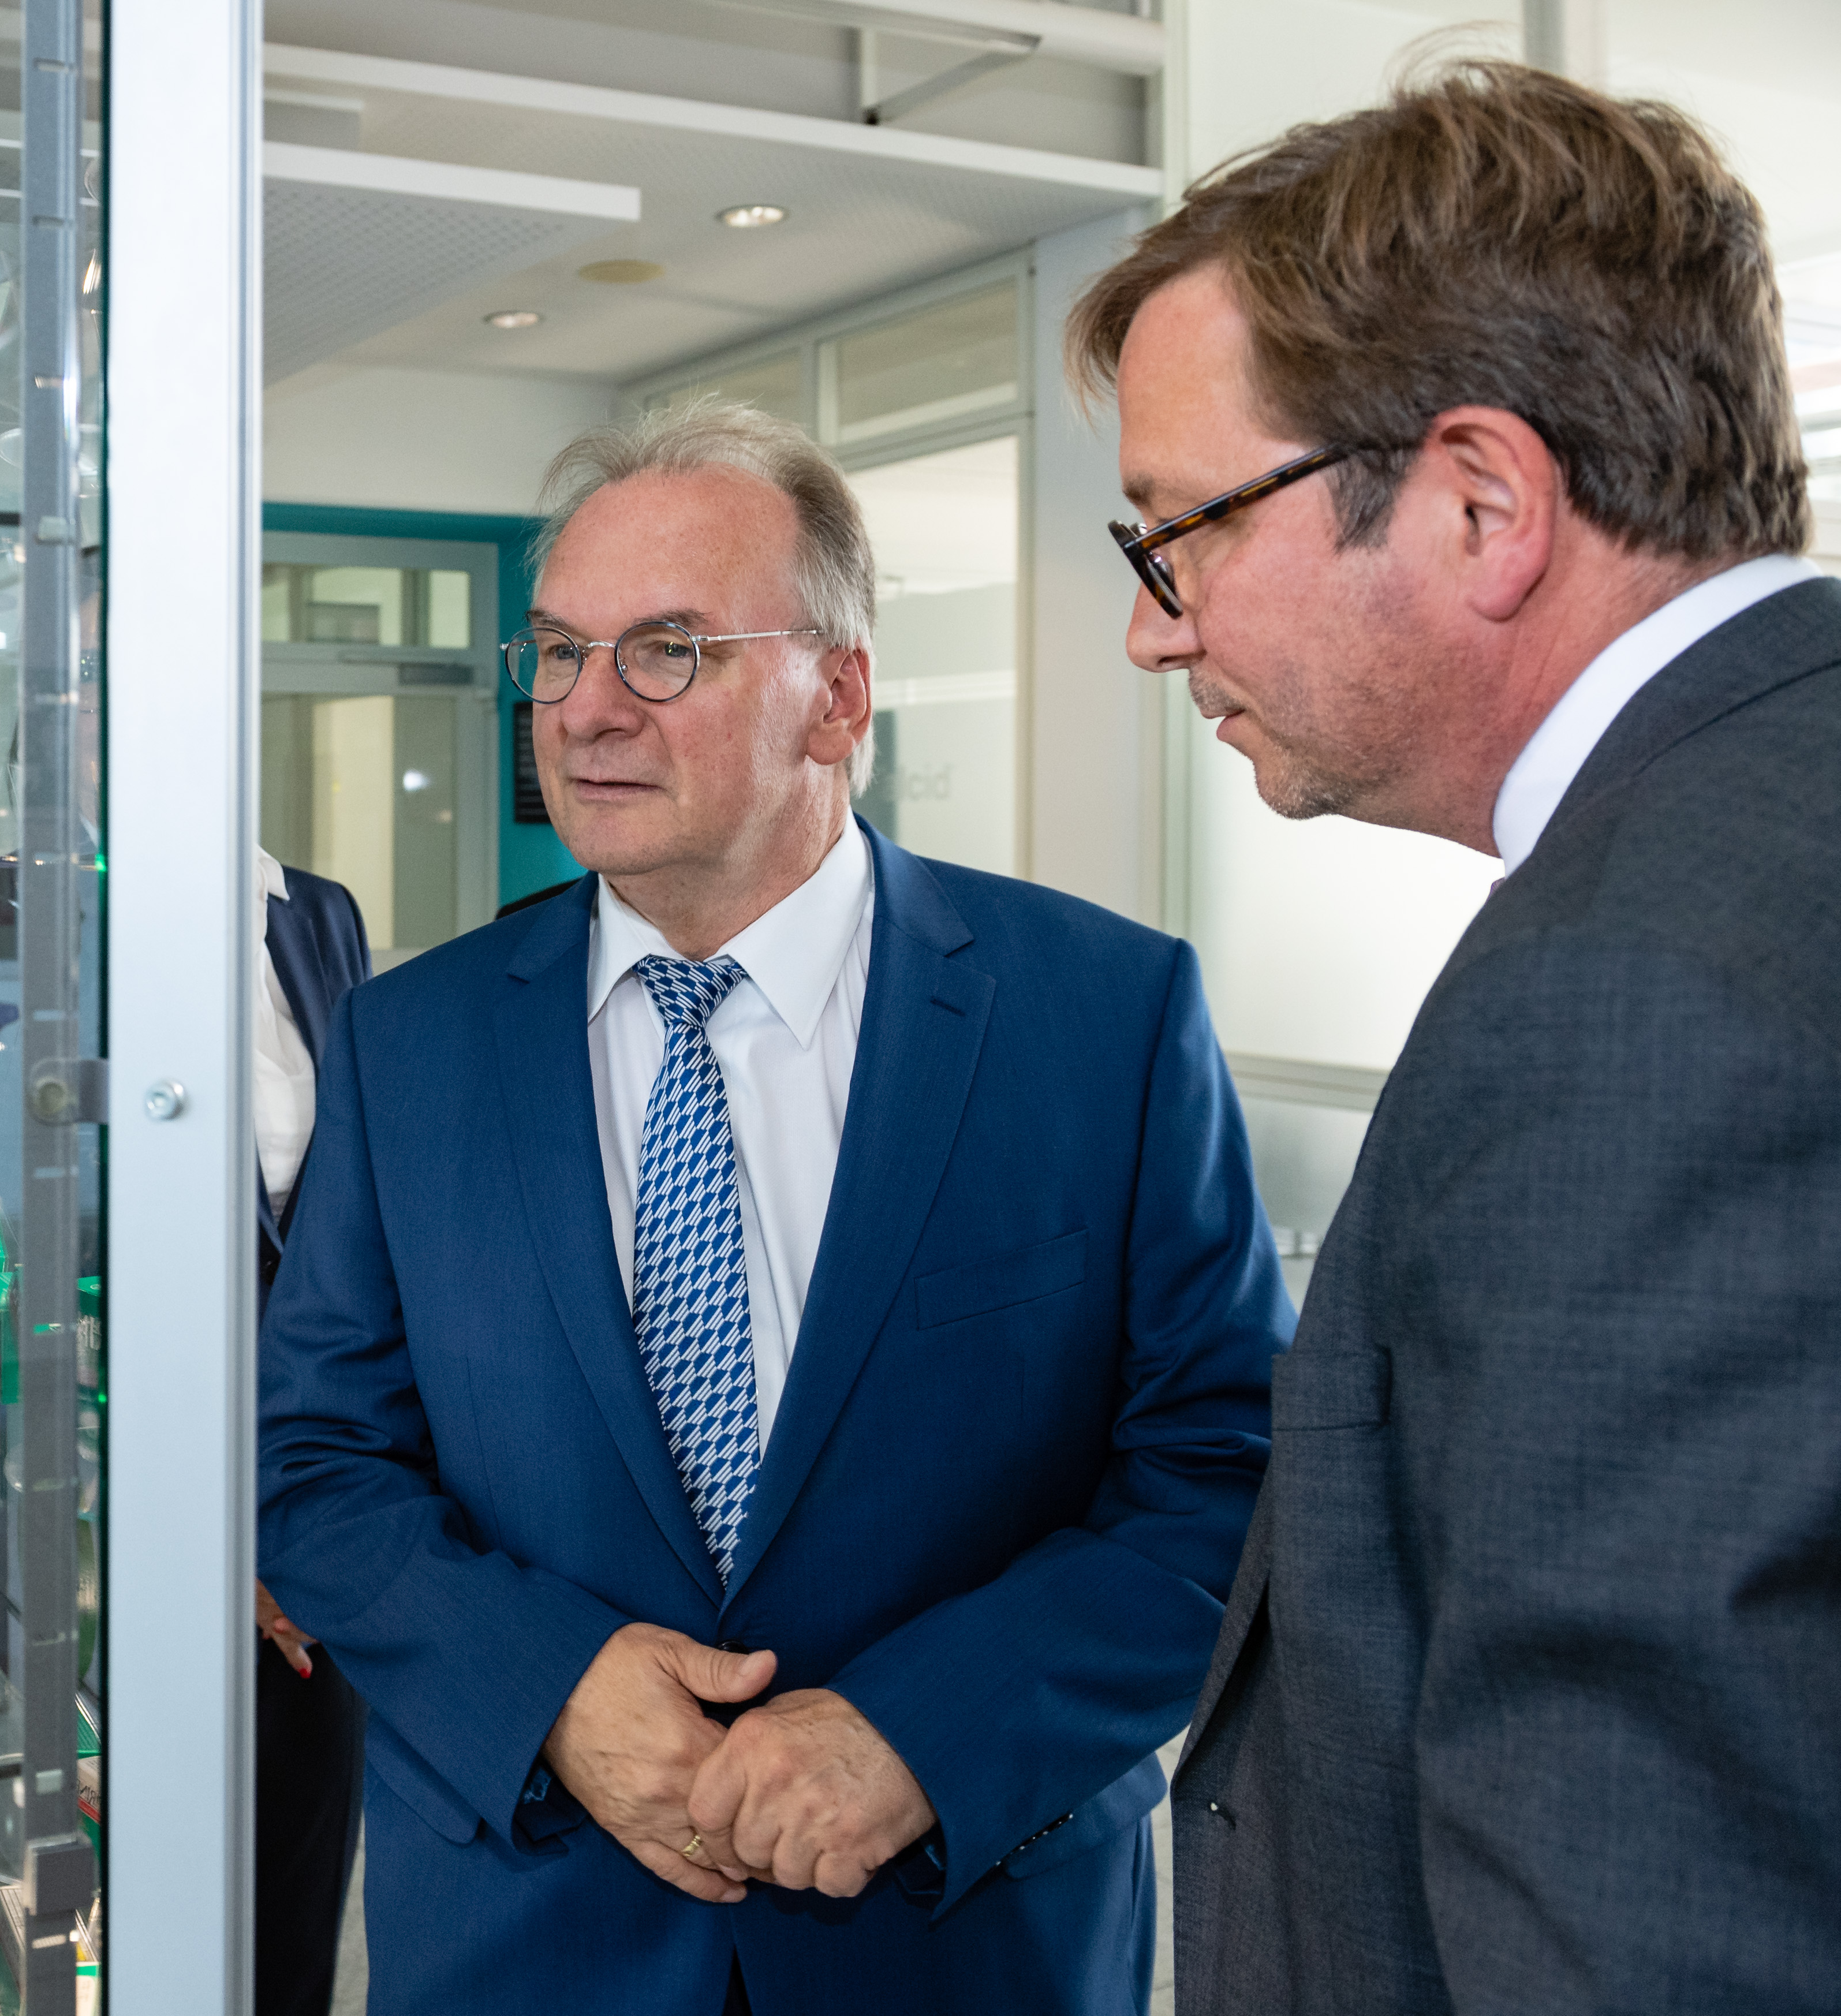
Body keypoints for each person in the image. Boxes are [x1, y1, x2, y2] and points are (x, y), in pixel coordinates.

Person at [256, 401, 1287, 2014]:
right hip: (527, 1941)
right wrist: (551, 1692)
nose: (585, 710)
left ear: (838, 696)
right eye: (556, 652)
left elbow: (1223, 1471)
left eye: (666, 651)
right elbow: (314, 1462)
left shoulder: (1102, 1017)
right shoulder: (409, 1040)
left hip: (961, 1944)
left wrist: (921, 1733)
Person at [1069, 61, 1840, 2013]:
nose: (1153, 628)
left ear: (1479, 503)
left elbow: (1642, 1906)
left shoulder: (1632, 994)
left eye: (1179, 531)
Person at [249, 846, 373, 2016]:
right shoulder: (58, 911)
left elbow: (352, 1223)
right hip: (122, 1483)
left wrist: (313, 1505)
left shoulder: (315, 913)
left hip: (317, 1471)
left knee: (292, 1881)